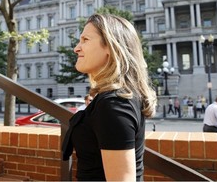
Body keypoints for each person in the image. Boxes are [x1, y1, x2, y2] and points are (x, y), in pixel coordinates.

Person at [62, 14, 157, 181]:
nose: (76, 48)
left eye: (85, 40)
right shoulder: (115, 98)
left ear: (111, 46)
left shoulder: (114, 103)